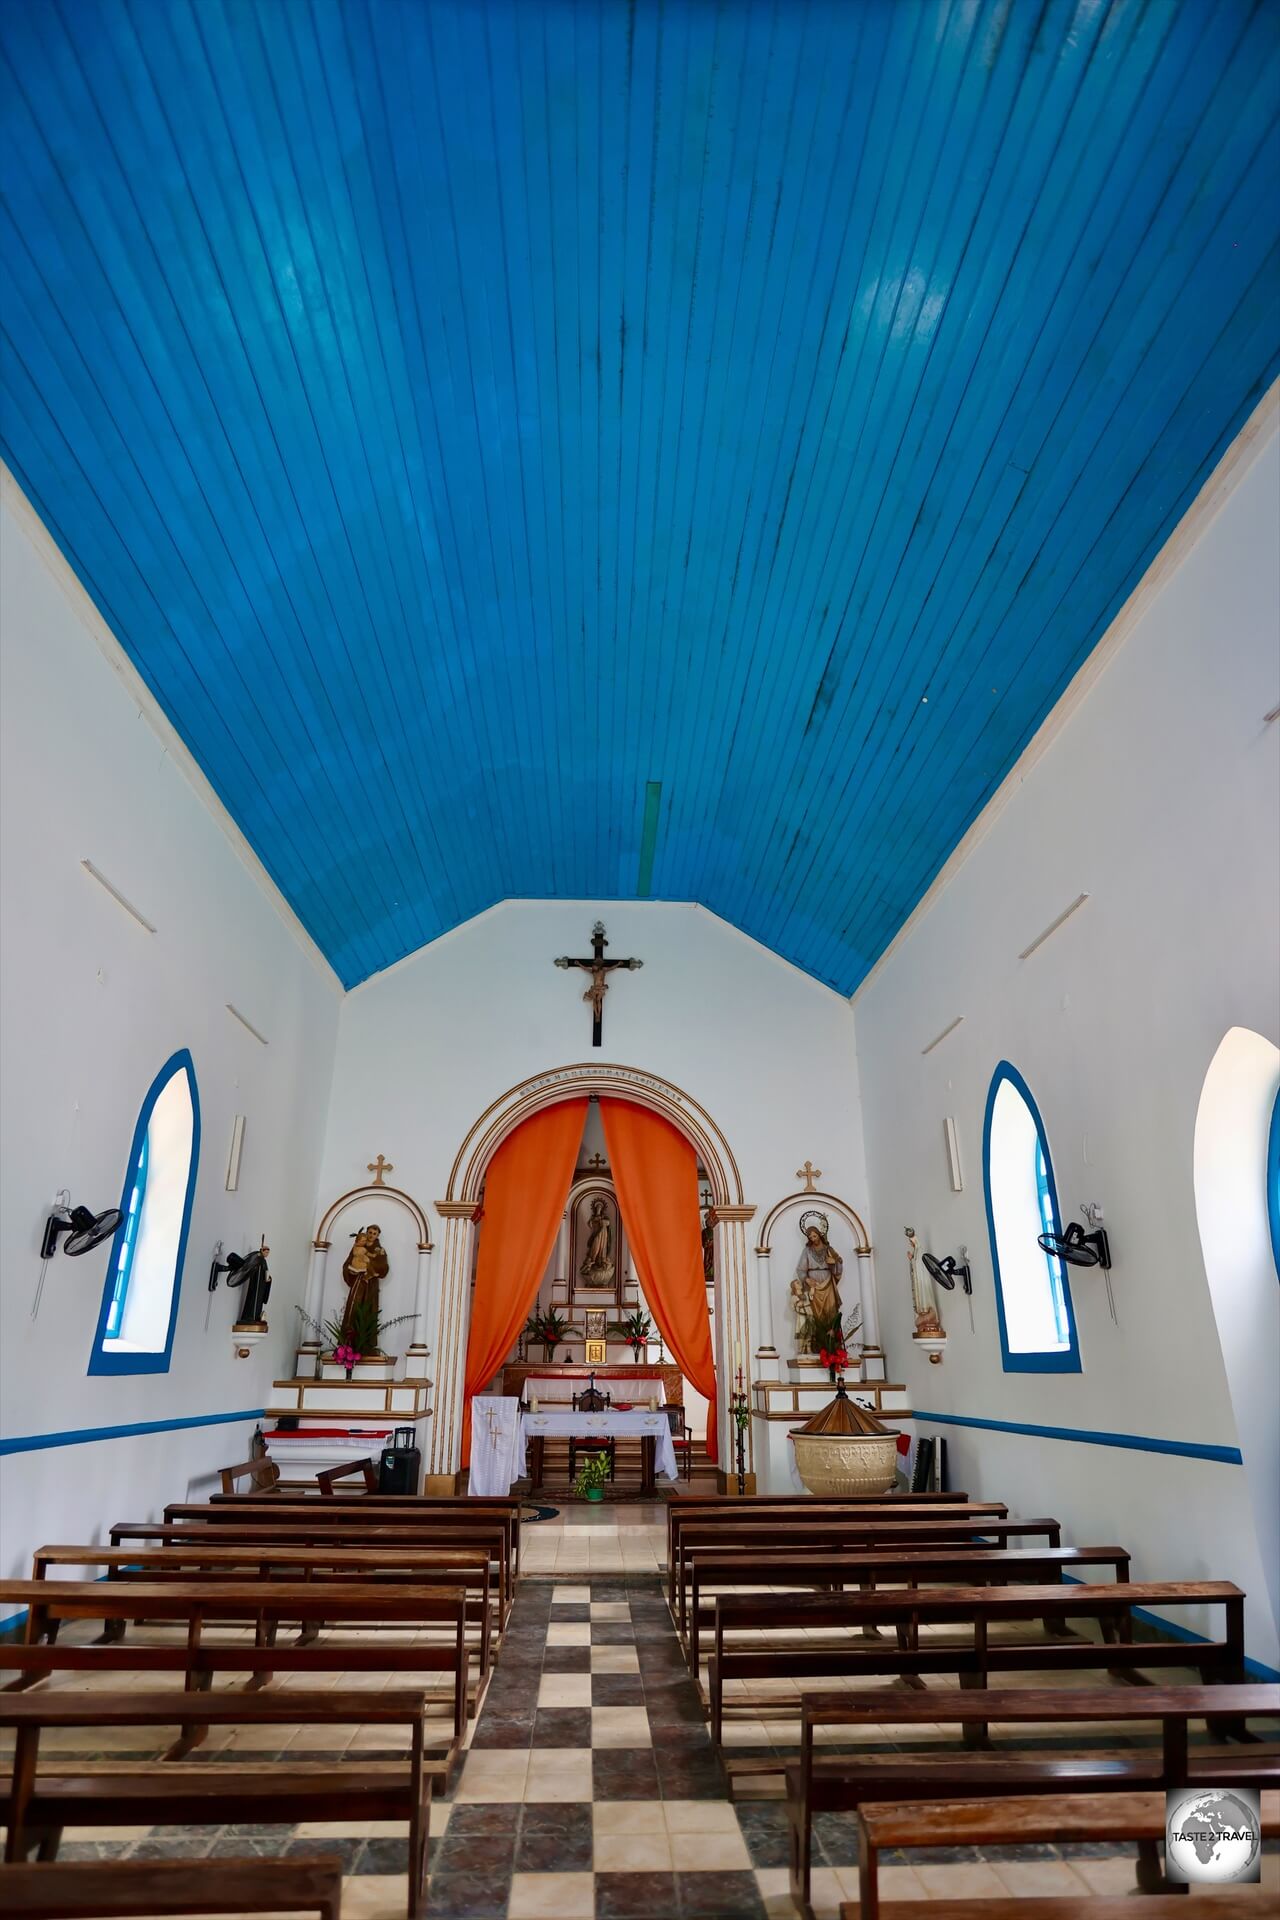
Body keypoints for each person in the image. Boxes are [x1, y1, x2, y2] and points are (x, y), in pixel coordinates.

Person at [340, 1223, 389, 1347]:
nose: (371, 1235)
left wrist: (370, 1263)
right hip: (358, 1281)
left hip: (370, 1283)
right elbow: (347, 1263)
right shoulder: (357, 1247)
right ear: (366, 1233)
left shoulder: (380, 1250)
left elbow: (384, 1268)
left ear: (378, 1235)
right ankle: (347, 1343)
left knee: (368, 1310)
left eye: (374, 1233)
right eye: (370, 1232)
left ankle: (366, 1344)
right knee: (353, 1308)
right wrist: (350, 1270)